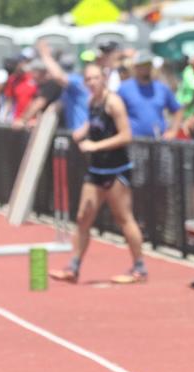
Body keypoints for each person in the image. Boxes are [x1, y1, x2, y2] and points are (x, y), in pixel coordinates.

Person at [49, 63, 147, 285]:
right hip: (96, 170)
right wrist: (82, 132)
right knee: (83, 218)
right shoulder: (91, 102)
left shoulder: (113, 102)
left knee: (124, 218)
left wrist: (96, 146)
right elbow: (94, 125)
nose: (92, 83)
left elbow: (125, 136)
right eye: (88, 79)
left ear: (103, 78)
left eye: (95, 78)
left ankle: (139, 266)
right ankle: (73, 266)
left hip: (116, 169)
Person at [118, 51, 183, 139]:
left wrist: (173, 131)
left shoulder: (161, 88)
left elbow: (178, 110)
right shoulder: (124, 89)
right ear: (135, 67)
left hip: (157, 141)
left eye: (149, 65)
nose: (146, 68)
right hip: (132, 141)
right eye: (143, 65)